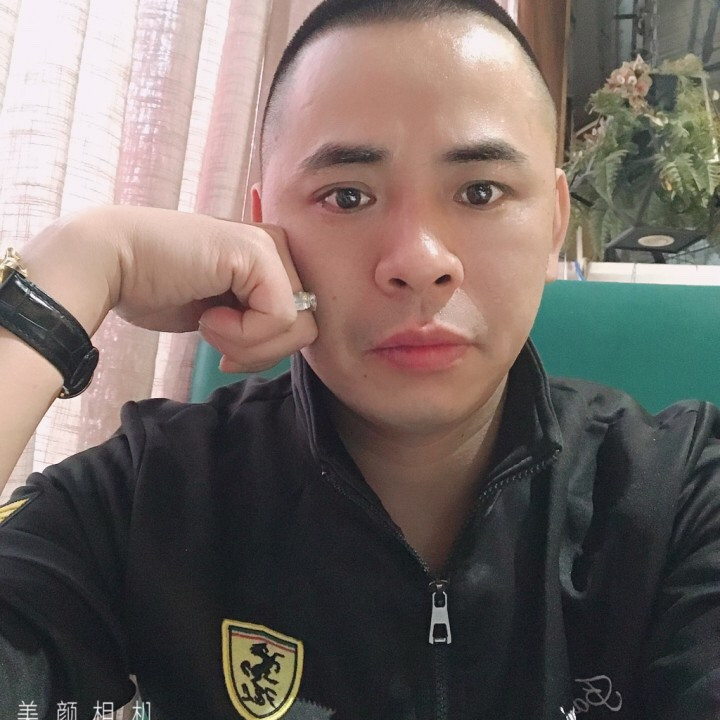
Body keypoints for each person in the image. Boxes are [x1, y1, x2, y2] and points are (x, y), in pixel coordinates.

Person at [0, 0, 718, 718]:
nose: (420, 262)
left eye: (480, 192)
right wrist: (76, 266)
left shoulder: (680, 494)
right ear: (263, 228)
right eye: (346, 196)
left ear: (555, 219)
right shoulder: (145, 495)